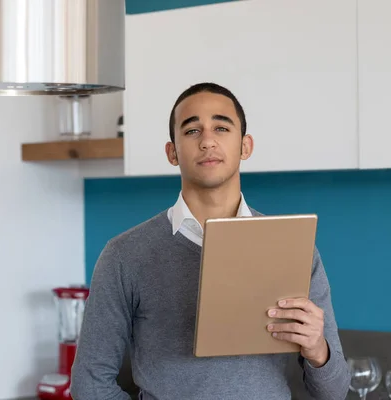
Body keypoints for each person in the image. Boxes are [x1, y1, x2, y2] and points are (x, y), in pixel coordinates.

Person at [69, 82, 350, 400]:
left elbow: (336, 392)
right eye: (191, 131)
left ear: (245, 146)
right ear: (172, 152)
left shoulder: (295, 251)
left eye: (221, 127)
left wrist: (317, 349)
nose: (207, 141)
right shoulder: (124, 256)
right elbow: (89, 383)